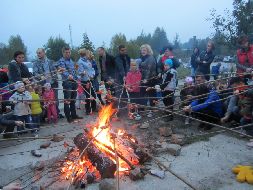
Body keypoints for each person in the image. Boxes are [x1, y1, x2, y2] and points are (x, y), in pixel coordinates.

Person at [33, 48, 63, 118]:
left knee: (55, 99)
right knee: (45, 100)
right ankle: (47, 115)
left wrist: (59, 70)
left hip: (53, 83)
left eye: (39, 53)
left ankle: (56, 114)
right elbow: (35, 73)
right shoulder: (35, 63)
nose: (38, 54)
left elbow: (56, 69)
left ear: (44, 53)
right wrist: (41, 77)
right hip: (43, 85)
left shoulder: (51, 61)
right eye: (37, 53)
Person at [56, 47, 82, 123]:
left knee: (73, 100)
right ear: (63, 53)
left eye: (69, 52)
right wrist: (68, 75)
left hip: (74, 82)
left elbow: (74, 71)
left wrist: (77, 77)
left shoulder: (71, 61)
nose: (68, 54)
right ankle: (68, 117)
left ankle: (74, 115)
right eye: (66, 52)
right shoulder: (61, 61)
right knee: (67, 100)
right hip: (67, 82)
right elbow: (62, 71)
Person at [77, 48, 96, 115]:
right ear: (84, 54)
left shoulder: (88, 61)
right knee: (88, 95)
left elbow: (92, 69)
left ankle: (93, 108)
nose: (89, 55)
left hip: (91, 79)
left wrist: (93, 74)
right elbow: (80, 72)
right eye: (87, 53)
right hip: (85, 81)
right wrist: (83, 73)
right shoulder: (80, 62)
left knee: (93, 94)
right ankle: (88, 110)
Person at [139, 44, 157, 108]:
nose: (143, 51)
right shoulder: (144, 58)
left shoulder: (150, 58)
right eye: (142, 50)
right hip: (144, 79)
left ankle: (152, 109)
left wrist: (146, 79)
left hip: (150, 79)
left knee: (151, 95)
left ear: (148, 51)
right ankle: (142, 108)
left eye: (144, 50)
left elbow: (149, 70)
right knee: (142, 94)